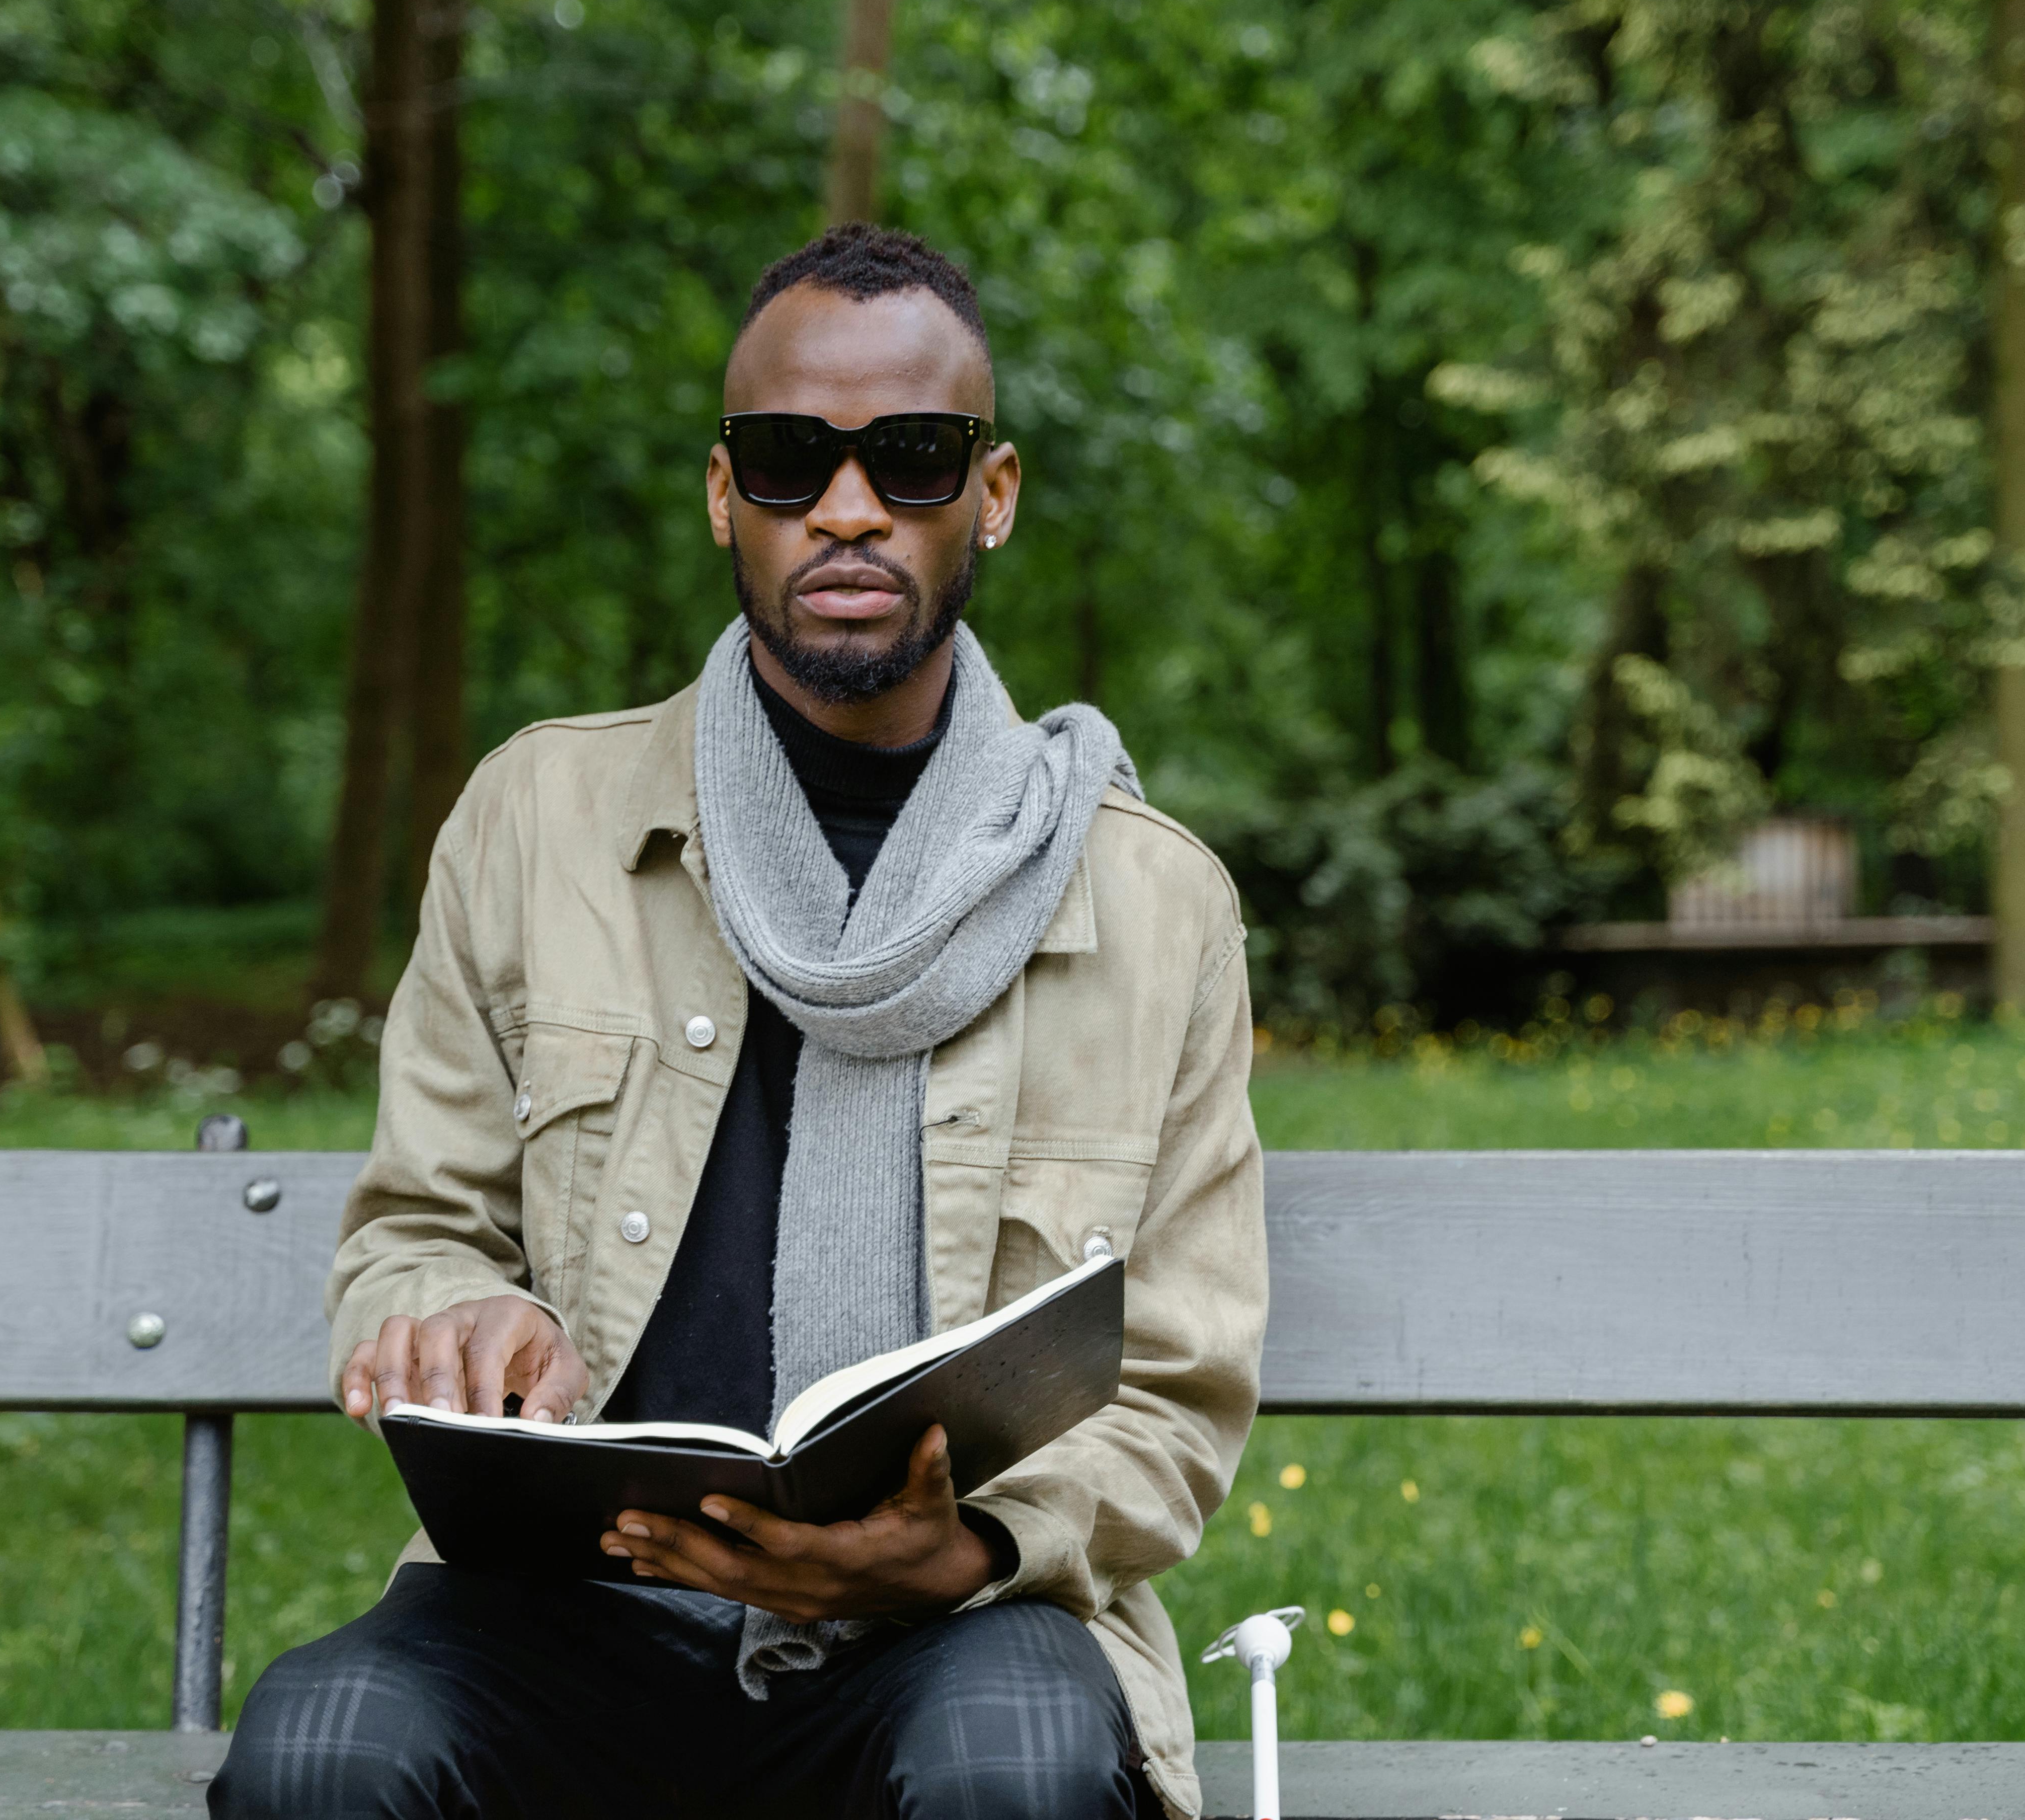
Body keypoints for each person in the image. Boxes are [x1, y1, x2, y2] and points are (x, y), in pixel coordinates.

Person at [212, 223, 1267, 1820]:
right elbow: (416, 1233)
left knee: (1018, 1777)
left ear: (991, 494)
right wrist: (452, 1321)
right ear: (725, 497)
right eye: (791, 461)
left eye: (910, 458)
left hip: (954, 1627)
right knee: (323, 1752)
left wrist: (970, 1545)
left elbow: (1175, 1387)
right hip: (561, 1611)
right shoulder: (533, 819)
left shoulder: (1153, 902)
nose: (848, 509)